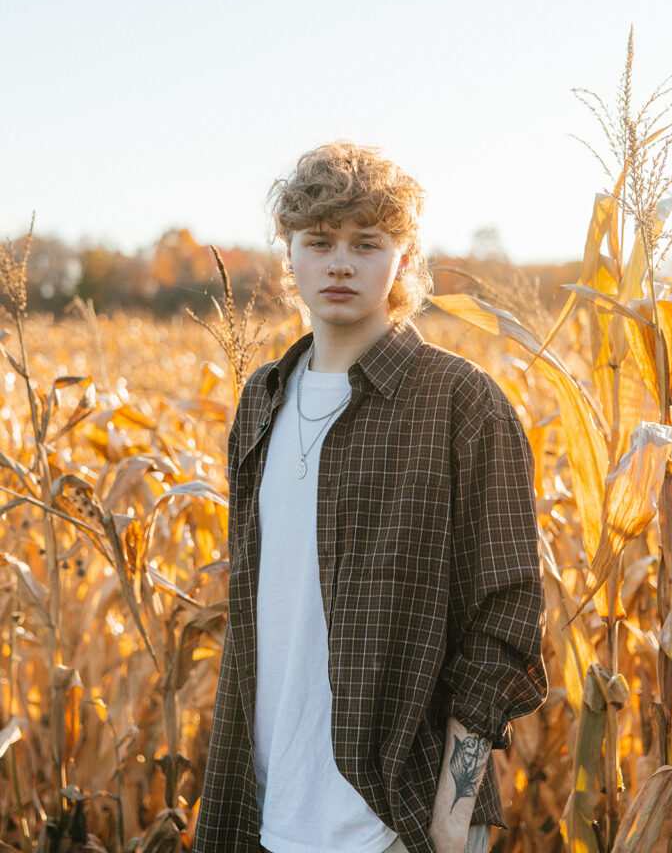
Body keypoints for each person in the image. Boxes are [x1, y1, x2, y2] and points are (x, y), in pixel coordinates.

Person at [193, 142, 547, 853]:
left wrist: (454, 806)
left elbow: (506, 609)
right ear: (288, 254)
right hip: (266, 806)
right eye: (319, 242)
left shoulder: (458, 400)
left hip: (401, 814)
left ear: (404, 258)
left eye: (366, 242)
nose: (341, 263)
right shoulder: (259, 399)